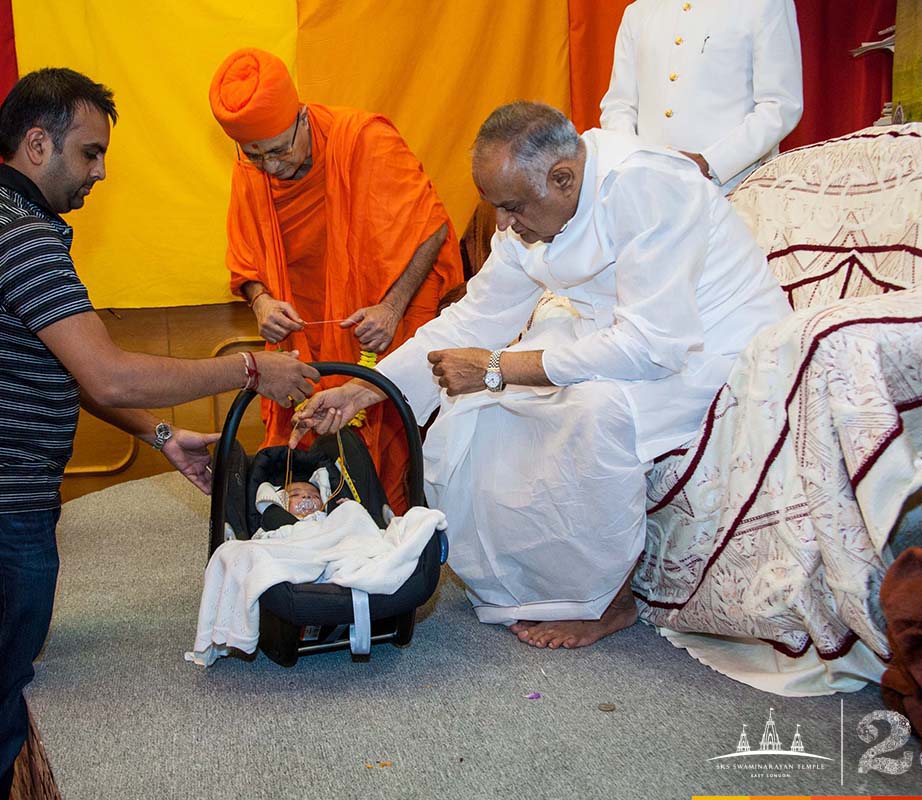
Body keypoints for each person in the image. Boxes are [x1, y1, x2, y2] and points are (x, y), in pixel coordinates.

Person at [0, 68, 317, 800]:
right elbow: (111, 373)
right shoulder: (19, 237)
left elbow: (74, 376)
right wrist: (250, 368)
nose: (100, 171)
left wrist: (161, 434)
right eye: (89, 153)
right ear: (37, 144)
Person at [293, 101, 791, 650]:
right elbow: (472, 318)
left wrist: (497, 367)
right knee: (472, 410)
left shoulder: (648, 185)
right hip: (614, 335)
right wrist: (361, 391)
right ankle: (528, 586)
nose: (502, 225)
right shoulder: (531, 216)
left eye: (511, 207)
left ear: (562, 177)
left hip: (710, 345)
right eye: (496, 208)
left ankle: (608, 601)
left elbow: (653, 346)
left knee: (589, 411)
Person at [208, 48, 464, 514]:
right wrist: (261, 301)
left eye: (279, 150)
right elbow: (246, 259)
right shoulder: (254, 166)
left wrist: (392, 307)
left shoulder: (364, 140)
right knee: (305, 433)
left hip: (373, 319)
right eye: (255, 155)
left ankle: (385, 534)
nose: (270, 167)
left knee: (379, 429)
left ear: (303, 118)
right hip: (303, 327)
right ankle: (305, 525)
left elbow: (431, 228)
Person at [598, 0, 803, 190]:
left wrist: (710, 162)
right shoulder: (639, 12)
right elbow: (619, 105)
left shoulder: (761, 4)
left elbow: (780, 105)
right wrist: (634, 162)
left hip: (731, 191)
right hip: (648, 192)